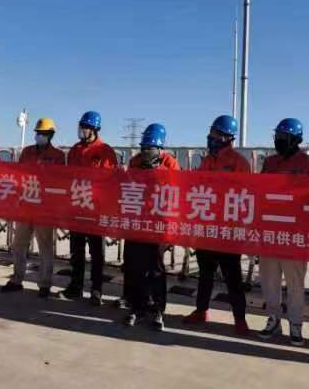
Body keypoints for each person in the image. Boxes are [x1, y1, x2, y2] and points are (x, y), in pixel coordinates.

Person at [183, 115, 251, 335]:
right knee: (205, 274)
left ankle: (240, 318)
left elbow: (245, 195)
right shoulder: (206, 161)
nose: (211, 137)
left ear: (227, 137)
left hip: (228, 231)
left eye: (215, 134)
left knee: (233, 278)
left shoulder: (239, 163)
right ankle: (201, 311)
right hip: (206, 228)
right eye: (211, 133)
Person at [257, 118, 309, 346]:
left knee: (295, 283)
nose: (278, 141)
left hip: (295, 233)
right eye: (277, 137)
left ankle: (296, 323)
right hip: (270, 231)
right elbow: (260, 192)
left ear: (295, 139)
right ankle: (273, 319)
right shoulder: (270, 162)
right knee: (269, 281)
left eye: (283, 137)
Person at [122, 123, 180, 331]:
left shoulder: (169, 165)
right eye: (143, 148)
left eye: (150, 148)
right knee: (134, 267)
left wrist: (157, 172)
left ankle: (157, 309)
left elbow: (174, 192)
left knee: (155, 270)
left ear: (159, 148)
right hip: (137, 223)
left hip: (158, 225)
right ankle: (137, 307)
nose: (145, 152)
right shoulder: (135, 162)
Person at [1, 118, 66, 298]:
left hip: (45, 208)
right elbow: (18, 175)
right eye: (38, 133)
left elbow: (61, 181)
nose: (39, 136)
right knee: (19, 245)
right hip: (25, 205)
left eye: (43, 133)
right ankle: (16, 280)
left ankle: (45, 284)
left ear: (50, 135)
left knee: (45, 247)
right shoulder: (27, 152)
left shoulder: (58, 155)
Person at [61, 110, 118, 305]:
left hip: (96, 211)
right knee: (76, 251)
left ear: (94, 129)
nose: (82, 130)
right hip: (77, 208)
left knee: (96, 253)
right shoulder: (75, 150)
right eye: (81, 127)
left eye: (85, 127)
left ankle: (96, 290)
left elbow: (110, 180)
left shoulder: (105, 151)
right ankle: (75, 286)